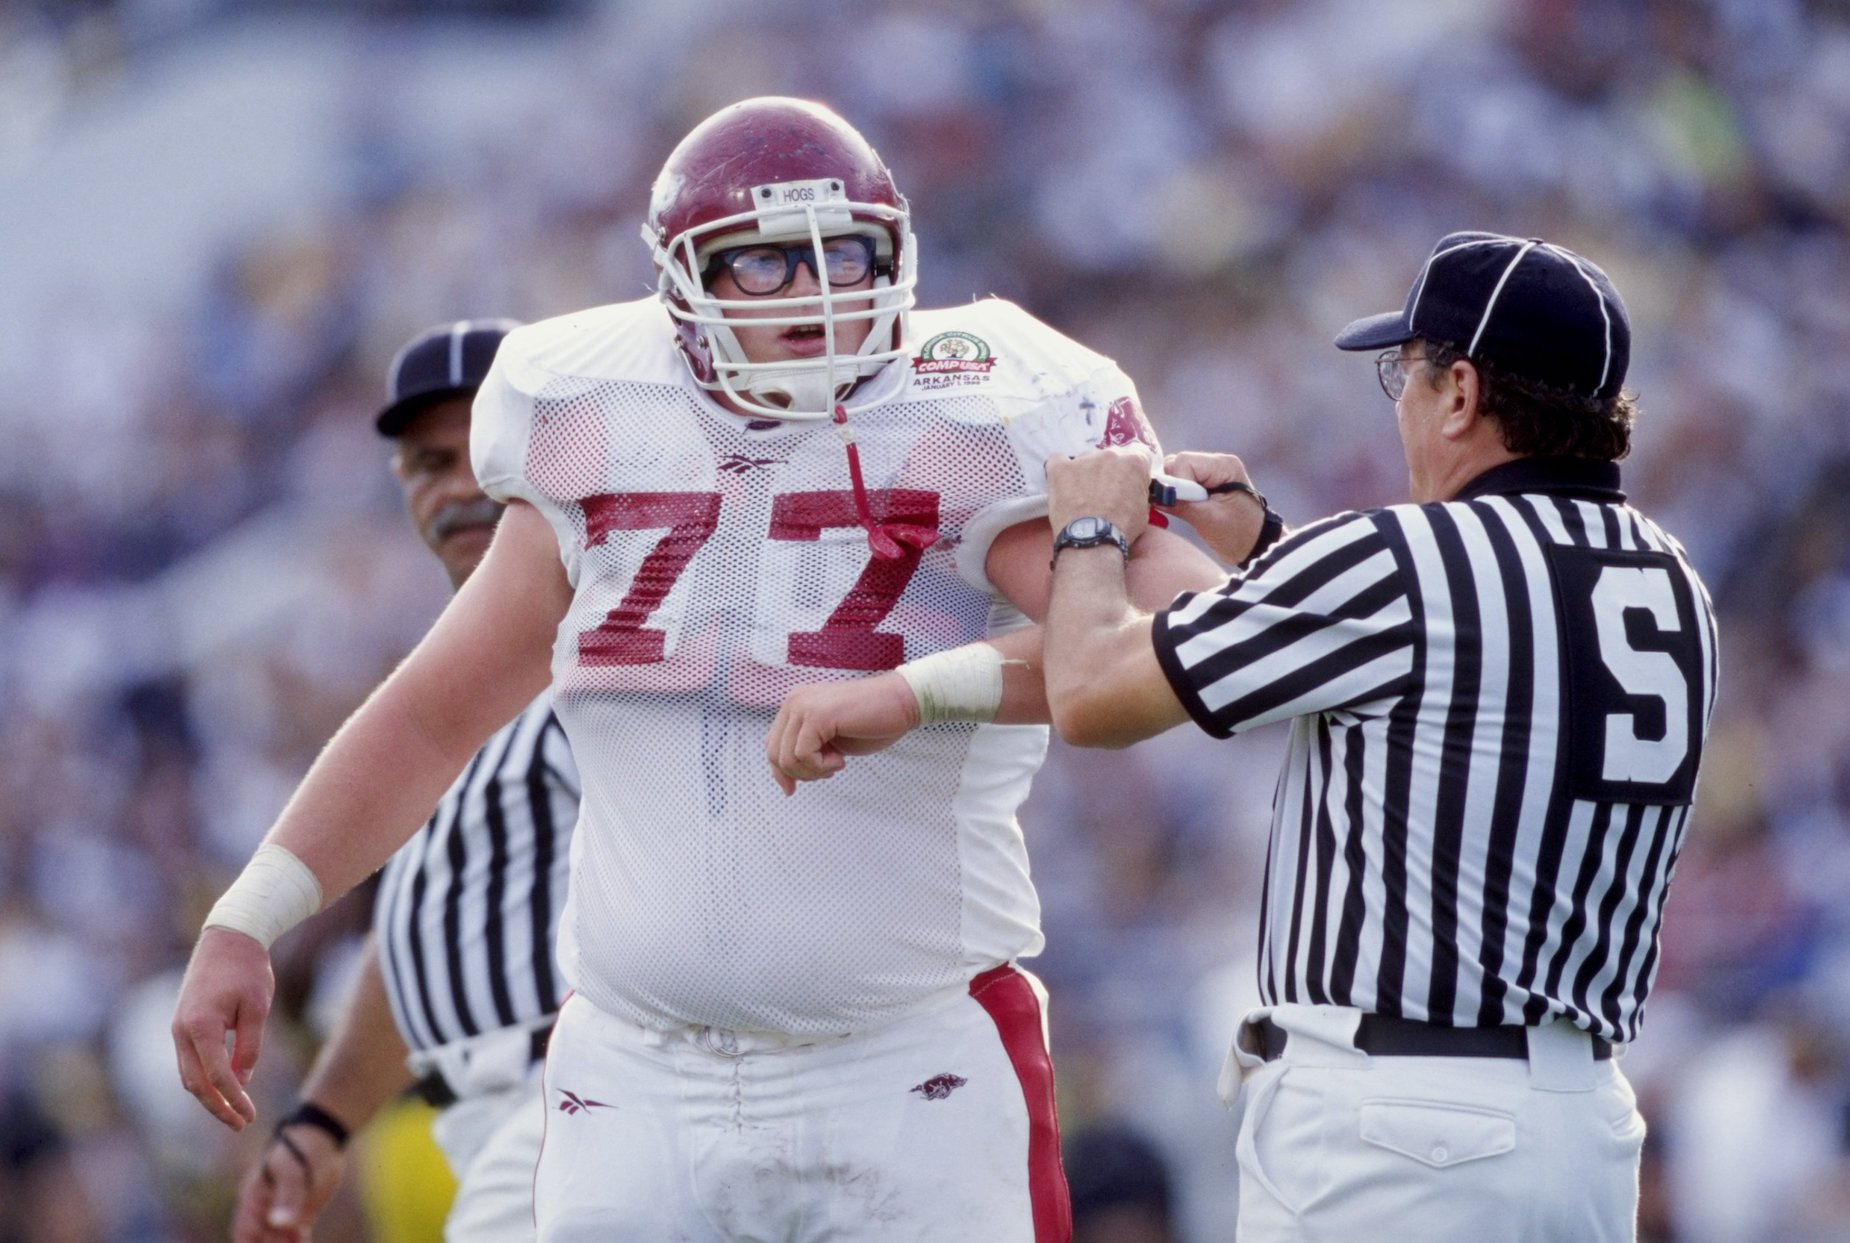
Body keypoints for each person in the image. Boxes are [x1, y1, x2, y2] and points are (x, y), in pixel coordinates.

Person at [173, 97, 1221, 1242]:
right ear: (680, 285)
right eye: (764, 260)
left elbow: (1181, 633)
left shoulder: (977, 404)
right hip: (633, 1075)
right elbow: (431, 716)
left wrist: (918, 688)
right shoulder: (590, 412)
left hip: (904, 1062)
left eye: (847, 251)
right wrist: (248, 915)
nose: (817, 290)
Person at [1030, 231, 1719, 1240]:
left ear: (1460, 393)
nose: (1399, 401)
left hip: (1396, 1128)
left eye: (1406, 373)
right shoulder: (1670, 582)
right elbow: (1470, 669)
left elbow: (1089, 695)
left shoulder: (1401, 563)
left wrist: (1086, 528)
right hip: (1581, 1133)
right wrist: (1269, 552)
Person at [226, 320, 581, 1243]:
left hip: (592, 1102)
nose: (460, 487)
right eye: (429, 464)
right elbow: (432, 919)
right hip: (480, 1117)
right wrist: (323, 1119)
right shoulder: (439, 684)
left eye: (485, 453)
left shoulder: (621, 631)